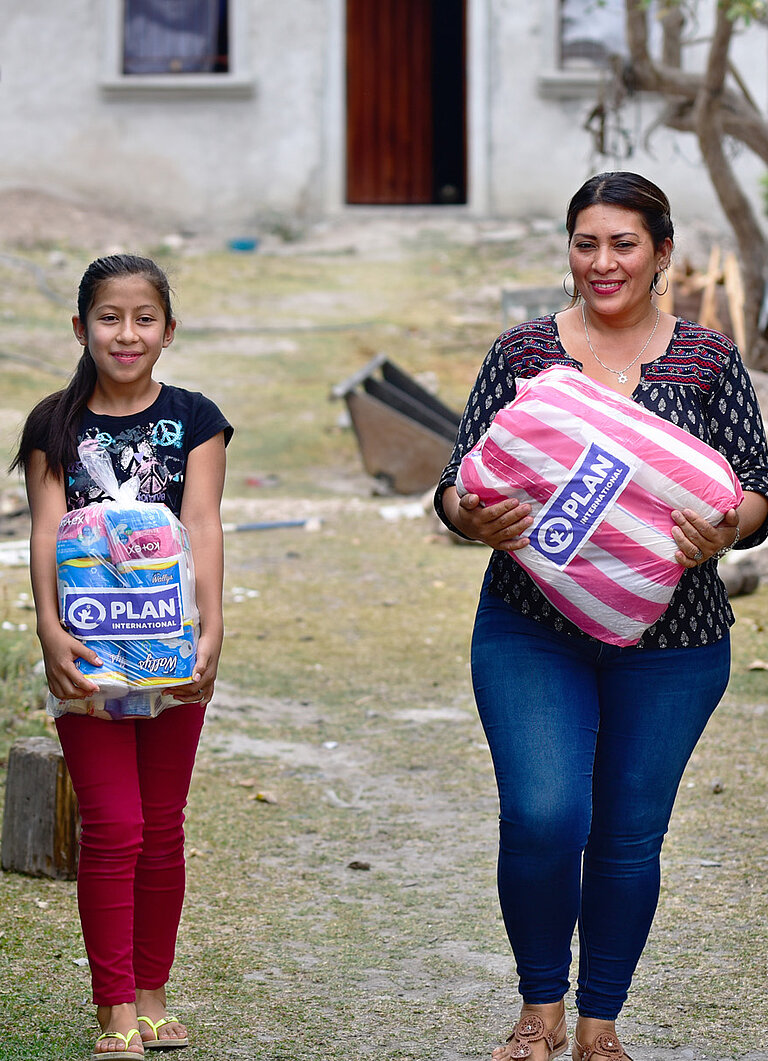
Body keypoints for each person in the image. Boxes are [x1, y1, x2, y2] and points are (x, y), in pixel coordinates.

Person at [435, 172, 768, 1061]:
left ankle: (597, 1027)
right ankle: (538, 1007)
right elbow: (456, 481)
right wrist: (472, 517)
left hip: (676, 640)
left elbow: (758, 486)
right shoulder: (523, 355)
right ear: (569, 249)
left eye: (625, 243)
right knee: (545, 815)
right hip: (530, 627)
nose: (604, 261)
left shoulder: (706, 359)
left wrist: (725, 527)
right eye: (587, 242)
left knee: (627, 834)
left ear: (662, 252)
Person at [11, 254, 233, 1058]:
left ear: (168, 331)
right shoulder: (53, 424)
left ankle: (152, 991)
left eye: (144, 318)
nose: (127, 333)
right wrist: (47, 628)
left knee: (164, 827)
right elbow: (42, 531)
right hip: (88, 655)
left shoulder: (196, 417)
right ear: (81, 328)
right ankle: (112, 1007)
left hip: (174, 654)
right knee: (114, 825)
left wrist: (211, 632)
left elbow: (202, 524)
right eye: (109, 317)